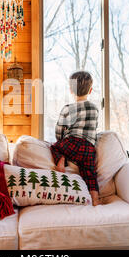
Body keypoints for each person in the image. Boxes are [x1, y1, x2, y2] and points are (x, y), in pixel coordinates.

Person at [50, 71, 100, 206]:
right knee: (90, 174)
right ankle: (95, 199)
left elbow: (59, 131)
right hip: (88, 148)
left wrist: (61, 141)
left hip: (71, 143)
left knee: (54, 146)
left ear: (71, 90)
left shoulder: (68, 109)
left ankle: (61, 161)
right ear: (90, 90)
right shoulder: (94, 109)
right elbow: (93, 128)